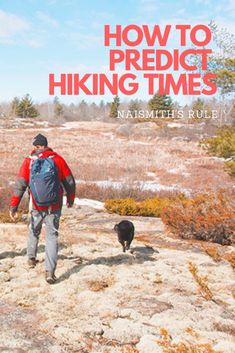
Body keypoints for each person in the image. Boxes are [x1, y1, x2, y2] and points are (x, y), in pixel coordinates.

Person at [9, 133, 76, 284]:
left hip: (36, 205)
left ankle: (31, 259)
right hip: (54, 205)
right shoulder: (58, 159)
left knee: (34, 229)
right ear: (46, 145)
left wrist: (14, 206)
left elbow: (20, 185)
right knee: (52, 236)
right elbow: (70, 182)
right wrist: (70, 199)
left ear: (35, 147)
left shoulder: (29, 162)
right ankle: (50, 272)